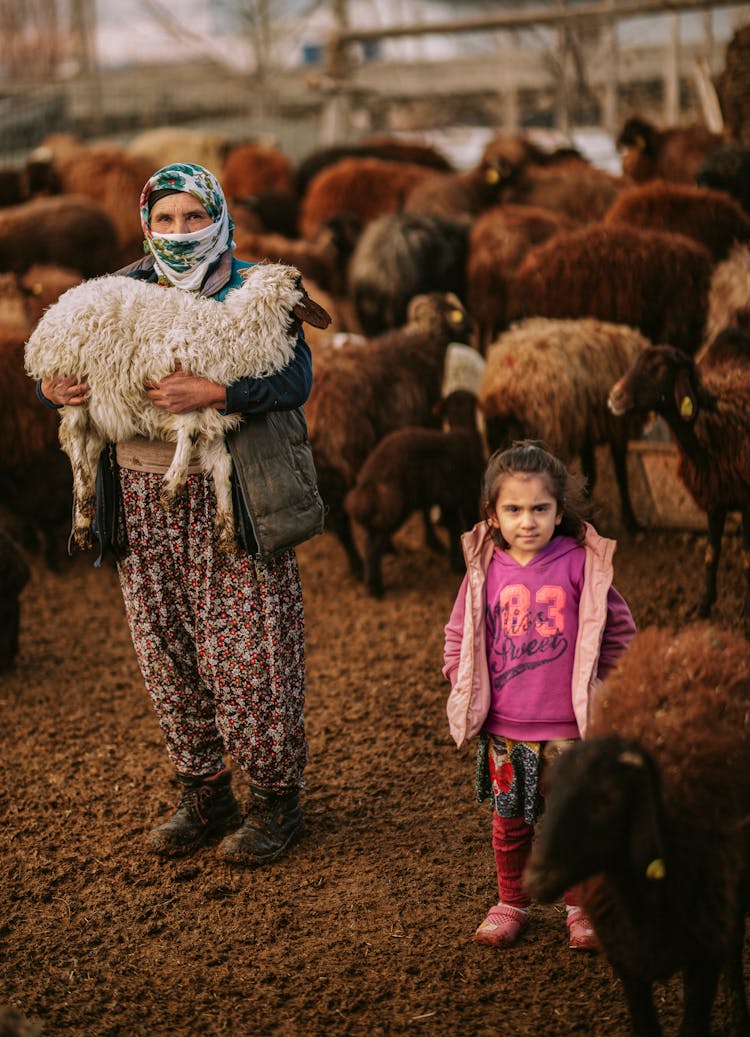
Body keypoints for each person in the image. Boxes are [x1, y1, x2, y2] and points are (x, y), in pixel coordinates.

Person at [35, 162, 325, 866]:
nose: (178, 231)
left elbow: (297, 376)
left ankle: (274, 800)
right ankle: (204, 791)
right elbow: (70, 360)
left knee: (249, 648)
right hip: (141, 495)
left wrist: (219, 387)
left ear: (219, 217)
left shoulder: (257, 288)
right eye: (164, 219)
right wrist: (55, 385)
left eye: (193, 216)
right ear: (147, 224)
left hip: (235, 495)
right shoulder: (122, 289)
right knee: (165, 646)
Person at [443, 440, 636, 949]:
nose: (526, 521)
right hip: (508, 729)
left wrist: (608, 689)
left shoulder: (579, 566)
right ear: (492, 514)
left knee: (572, 820)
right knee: (510, 824)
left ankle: (581, 907)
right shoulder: (484, 571)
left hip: (570, 728)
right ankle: (512, 902)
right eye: (513, 509)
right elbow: (458, 633)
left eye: (539, 509)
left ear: (558, 511)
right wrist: (460, 676)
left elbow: (618, 630)